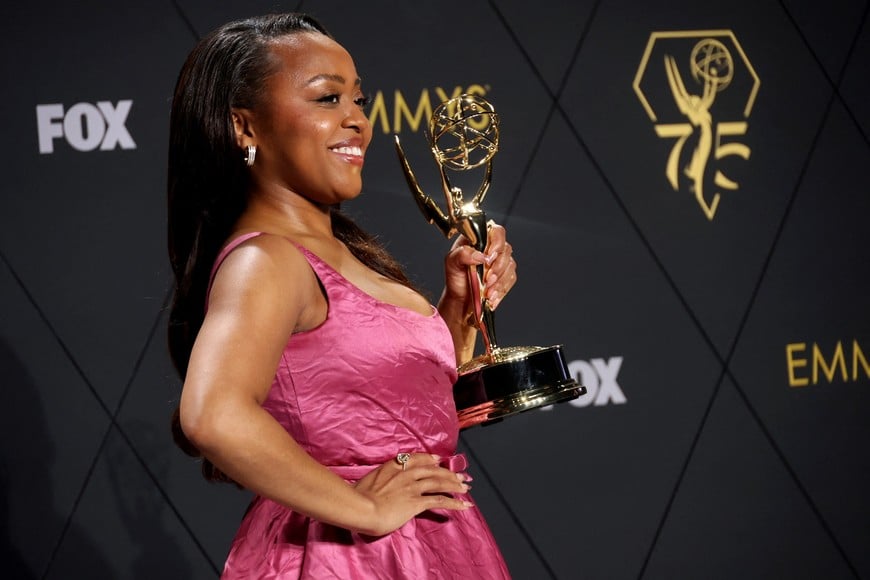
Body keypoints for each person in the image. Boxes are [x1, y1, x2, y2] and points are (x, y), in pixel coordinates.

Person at [167, 12, 515, 579]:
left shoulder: (341, 254)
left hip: (433, 549)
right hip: (346, 559)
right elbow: (212, 414)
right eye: (327, 99)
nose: (357, 120)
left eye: (358, 99)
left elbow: (401, 414)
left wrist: (461, 305)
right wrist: (364, 508)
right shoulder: (266, 260)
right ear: (245, 129)